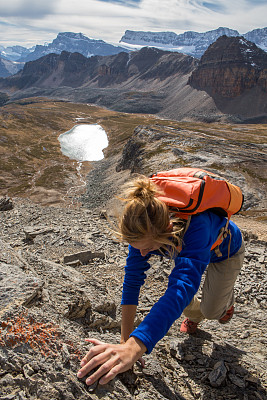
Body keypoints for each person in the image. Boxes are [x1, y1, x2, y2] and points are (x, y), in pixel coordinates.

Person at [77, 174, 245, 387]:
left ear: (167, 230)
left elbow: (181, 288)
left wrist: (137, 346)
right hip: (187, 249)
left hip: (225, 252)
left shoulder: (196, 227)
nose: (143, 253)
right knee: (184, 304)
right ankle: (197, 314)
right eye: (139, 248)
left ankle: (226, 305)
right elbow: (132, 280)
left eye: (147, 248)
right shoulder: (142, 229)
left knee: (212, 310)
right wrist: (125, 342)